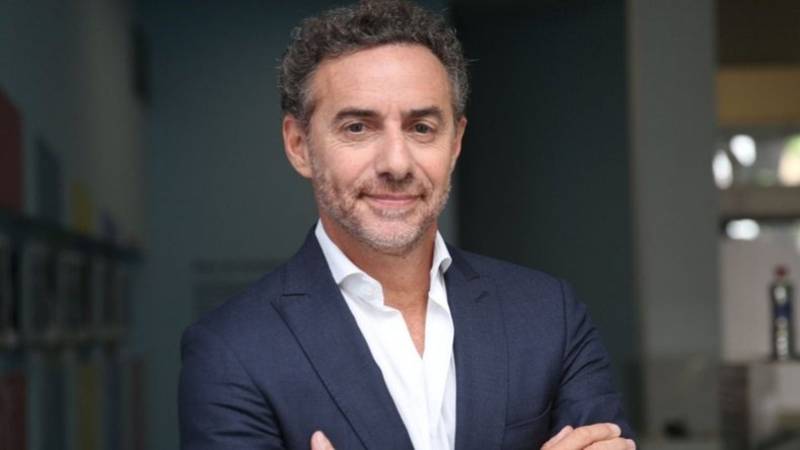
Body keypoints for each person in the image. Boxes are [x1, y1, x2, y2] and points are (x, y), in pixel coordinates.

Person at [178, 1, 635, 449]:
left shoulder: (549, 315)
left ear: (455, 143)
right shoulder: (231, 351)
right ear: (299, 145)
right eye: (358, 127)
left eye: (421, 128)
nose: (396, 163)